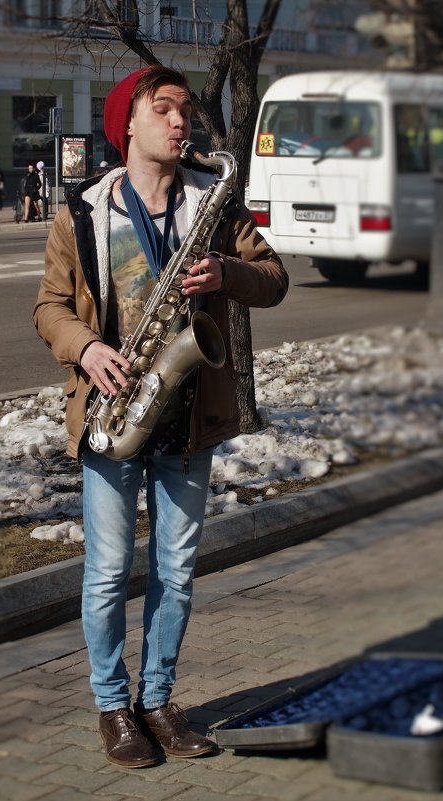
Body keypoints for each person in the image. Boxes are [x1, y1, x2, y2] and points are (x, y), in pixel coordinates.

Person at [33, 64, 288, 769]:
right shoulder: (82, 211)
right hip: (114, 413)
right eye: (164, 109)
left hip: (188, 415)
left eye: (183, 111)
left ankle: (159, 700)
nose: (181, 122)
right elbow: (48, 306)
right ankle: (114, 707)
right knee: (109, 571)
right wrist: (84, 348)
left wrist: (226, 276)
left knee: (175, 572)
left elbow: (274, 278)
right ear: (129, 124)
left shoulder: (213, 202)